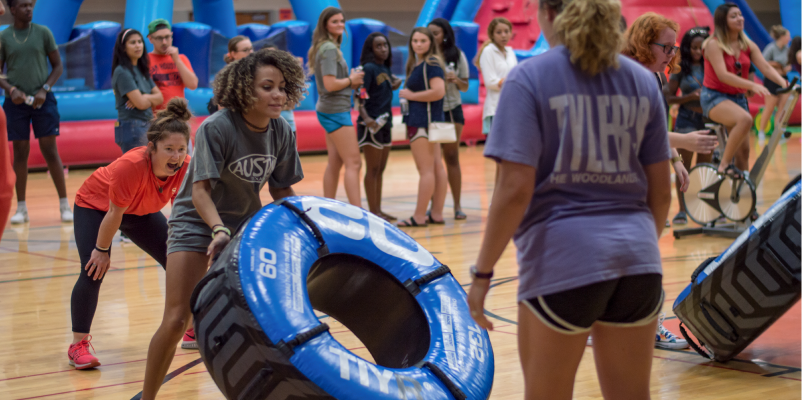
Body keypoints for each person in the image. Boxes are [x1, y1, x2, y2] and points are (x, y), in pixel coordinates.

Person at [468, 0, 671, 398]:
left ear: (546, 13)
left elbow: (513, 191)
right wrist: (635, 244)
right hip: (638, 261)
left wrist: (482, 276)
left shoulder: (528, 78)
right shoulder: (643, 80)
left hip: (562, 259)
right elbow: (661, 193)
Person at [141, 49, 305, 399]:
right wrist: (218, 230)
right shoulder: (218, 126)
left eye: (282, 87)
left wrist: (302, 221)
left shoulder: (281, 131)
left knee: (258, 321)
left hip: (245, 226)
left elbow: (281, 189)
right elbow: (200, 192)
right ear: (246, 89)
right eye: (267, 87)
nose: (277, 94)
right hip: (196, 224)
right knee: (176, 321)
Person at [67, 98, 191, 370]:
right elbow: (114, 214)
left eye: (181, 149)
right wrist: (101, 250)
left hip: (140, 210)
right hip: (96, 207)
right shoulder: (131, 165)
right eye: (169, 149)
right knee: (93, 269)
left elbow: (182, 212)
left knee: (180, 262)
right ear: (151, 148)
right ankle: (78, 345)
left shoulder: (185, 168)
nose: (176, 156)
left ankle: (190, 324)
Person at [623, 13, 719, 231]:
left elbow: (656, 127)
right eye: (665, 47)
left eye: (673, 47)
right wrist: (684, 140)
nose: (671, 53)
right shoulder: (626, 76)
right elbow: (634, 133)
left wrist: (676, 161)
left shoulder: (658, 76)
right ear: (644, 44)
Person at [0, 0, 72, 224]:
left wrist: (44, 89)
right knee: (20, 153)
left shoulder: (43, 33)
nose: (29, 9)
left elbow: (57, 66)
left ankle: (64, 205)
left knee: (50, 150)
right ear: (13, 10)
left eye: (31, 5)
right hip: (16, 102)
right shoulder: (4, 37)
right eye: (24, 6)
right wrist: (11, 89)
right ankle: (21, 208)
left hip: (43, 100)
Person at [702, 3, 786, 178]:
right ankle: (724, 165)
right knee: (745, 119)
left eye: (740, 15)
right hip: (714, 96)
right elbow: (723, 75)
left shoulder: (747, 44)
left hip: (738, 97)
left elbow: (766, 68)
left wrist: (783, 83)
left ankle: (743, 193)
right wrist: (752, 85)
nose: (740, 18)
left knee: (744, 152)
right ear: (723, 21)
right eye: (734, 16)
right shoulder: (713, 44)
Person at [309, 7, 364, 207]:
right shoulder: (329, 49)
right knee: (354, 162)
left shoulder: (327, 46)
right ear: (325, 25)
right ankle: (358, 212)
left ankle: (328, 206)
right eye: (335, 21)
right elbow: (330, 84)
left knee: (335, 162)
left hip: (330, 108)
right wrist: (351, 80)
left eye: (342, 21)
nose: (340, 24)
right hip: (335, 110)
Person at [397, 28, 447, 228]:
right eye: (415, 40)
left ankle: (418, 217)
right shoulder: (420, 63)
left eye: (423, 40)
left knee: (426, 170)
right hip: (428, 121)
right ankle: (436, 213)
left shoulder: (431, 64)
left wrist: (411, 95)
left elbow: (438, 92)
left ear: (430, 43)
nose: (418, 44)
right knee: (436, 167)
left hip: (422, 122)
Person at [664, 27, 713, 225]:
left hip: (709, 120)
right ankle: (682, 210)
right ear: (687, 47)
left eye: (701, 48)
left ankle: (702, 209)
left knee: (704, 168)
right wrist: (689, 97)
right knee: (683, 167)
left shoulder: (712, 65)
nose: (697, 51)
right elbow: (668, 97)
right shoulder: (679, 68)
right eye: (693, 48)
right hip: (686, 120)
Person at [357, 32, 402, 221]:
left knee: (381, 169)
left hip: (386, 122)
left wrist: (393, 85)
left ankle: (378, 210)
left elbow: (380, 89)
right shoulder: (368, 68)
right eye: (379, 46)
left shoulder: (384, 67)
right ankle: (373, 212)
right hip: (371, 124)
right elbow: (360, 95)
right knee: (373, 169)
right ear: (371, 49)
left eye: (385, 45)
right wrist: (366, 118)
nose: (383, 49)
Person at [428, 18, 470, 220]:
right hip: (431, 112)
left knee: (451, 157)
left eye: (435, 33)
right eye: (430, 33)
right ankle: (434, 207)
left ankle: (457, 206)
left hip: (452, 110)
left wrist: (456, 80)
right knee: (433, 162)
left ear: (444, 35)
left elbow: (465, 86)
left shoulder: (456, 55)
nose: (432, 36)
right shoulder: (423, 56)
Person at [111, 28, 163, 154]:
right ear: (123, 48)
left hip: (146, 124)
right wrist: (146, 98)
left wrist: (143, 96)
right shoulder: (122, 71)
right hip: (132, 126)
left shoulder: (141, 70)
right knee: (137, 169)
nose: (138, 45)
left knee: (146, 168)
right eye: (132, 42)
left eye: (140, 42)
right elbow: (140, 104)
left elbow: (160, 97)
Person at [476, 17, 517, 136]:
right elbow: (490, 82)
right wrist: (512, 82)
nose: (503, 35)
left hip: (513, 107)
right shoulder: (488, 52)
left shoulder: (510, 52)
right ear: (492, 34)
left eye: (506, 31)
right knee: (498, 152)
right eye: (499, 32)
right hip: (496, 109)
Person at [147, 18, 198, 112]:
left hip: (179, 115)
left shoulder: (181, 58)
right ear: (150, 39)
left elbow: (193, 85)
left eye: (167, 37)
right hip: (157, 116)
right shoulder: (146, 60)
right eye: (159, 38)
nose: (164, 42)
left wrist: (177, 60)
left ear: (172, 36)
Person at [758, 25, 792, 142]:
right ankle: (761, 132)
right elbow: (762, 62)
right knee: (770, 107)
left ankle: (779, 133)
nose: (789, 38)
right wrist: (776, 64)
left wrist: (786, 67)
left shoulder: (787, 50)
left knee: (783, 108)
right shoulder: (771, 48)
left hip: (783, 79)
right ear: (782, 37)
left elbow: (789, 65)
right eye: (788, 36)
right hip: (771, 81)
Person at [207, 35, 253, 114]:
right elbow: (222, 107)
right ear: (234, 54)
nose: (250, 52)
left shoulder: (255, 70)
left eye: (251, 48)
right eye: (245, 50)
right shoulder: (228, 75)